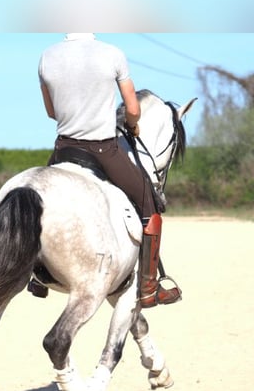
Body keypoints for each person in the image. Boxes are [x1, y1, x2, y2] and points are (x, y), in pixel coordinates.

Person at [38, 33, 181, 308]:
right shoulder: (112, 53)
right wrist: (133, 124)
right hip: (104, 150)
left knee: (40, 203)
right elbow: (133, 108)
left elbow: (51, 112)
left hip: (64, 148)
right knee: (150, 208)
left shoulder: (47, 56)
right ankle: (150, 288)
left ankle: (37, 276)